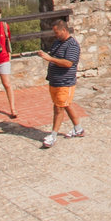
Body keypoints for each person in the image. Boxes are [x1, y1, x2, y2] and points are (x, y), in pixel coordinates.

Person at [35, 19, 83, 148]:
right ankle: (78, 129)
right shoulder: (57, 42)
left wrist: (49, 58)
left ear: (64, 30)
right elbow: (54, 56)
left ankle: (53, 136)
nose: (55, 35)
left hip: (65, 81)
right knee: (65, 104)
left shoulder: (72, 45)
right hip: (54, 80)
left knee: (58, 108)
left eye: (57, 32)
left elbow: (68, 63)